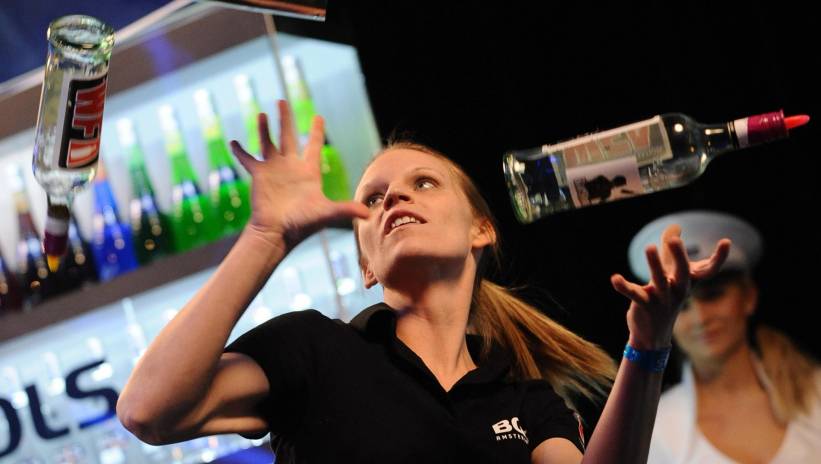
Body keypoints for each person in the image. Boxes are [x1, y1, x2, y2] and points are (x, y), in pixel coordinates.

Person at [116, 101, 730, 463]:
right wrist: (266, 235)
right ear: (366, 266)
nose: (394, 199)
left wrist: (648, 345)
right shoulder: (314, 349)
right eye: (373, 198)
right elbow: (147, 410)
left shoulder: (524, 403)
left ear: (480, 231)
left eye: (424, 183)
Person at [628, 211, 821, 464]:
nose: (700, 318)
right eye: (682, 307)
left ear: (749, 296)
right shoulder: (654, 429)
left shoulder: (815, 390)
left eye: (713, 295)